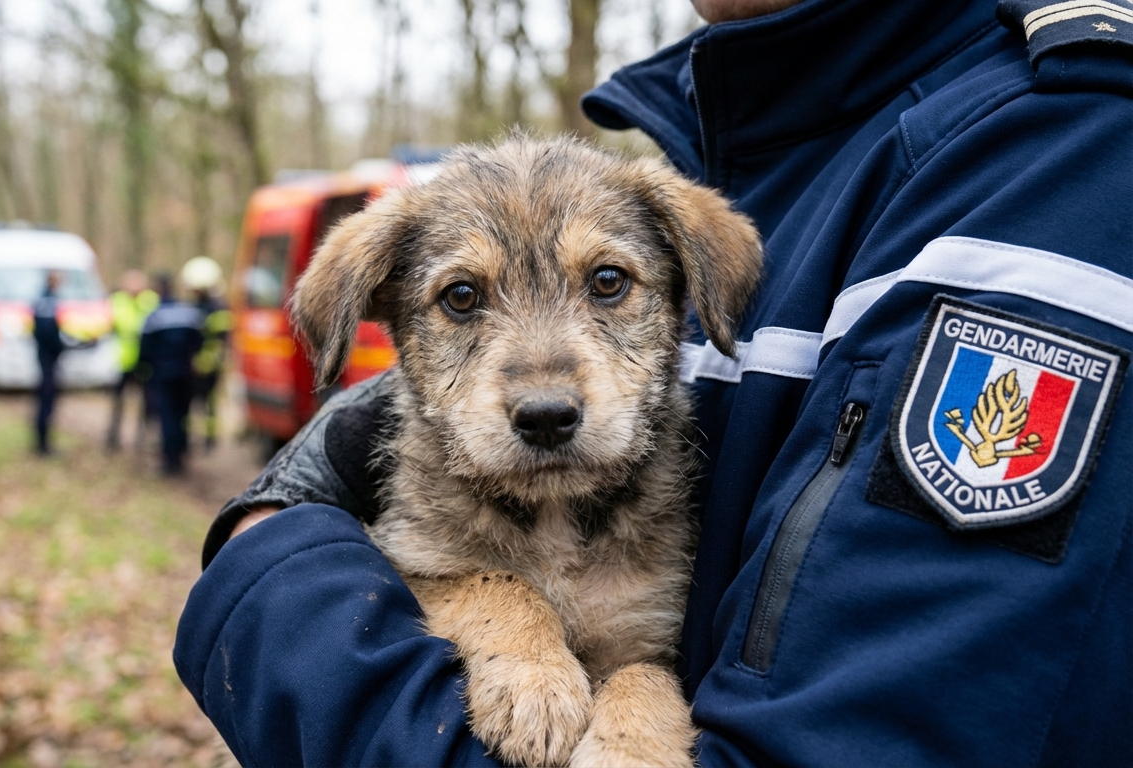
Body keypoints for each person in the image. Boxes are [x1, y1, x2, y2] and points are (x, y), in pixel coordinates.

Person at [175, 0, 1133, 764]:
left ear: (687, 288)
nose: (546, 385)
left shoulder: (1044, 160)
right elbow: (428, 572)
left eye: (608, 284)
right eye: (462, 297)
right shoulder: (757, 136)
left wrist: (268, 557)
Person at [139, 274, 204, 476]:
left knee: (167, 416)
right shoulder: (189, 313)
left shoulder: (154, 315)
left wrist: (143, 369)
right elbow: (199, 341)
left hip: (163, 373)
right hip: (186, 373)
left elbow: (145, 348)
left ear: (158, 289)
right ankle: (182, 452)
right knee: (182, 414)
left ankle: (170, 461)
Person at [180, 256, 234, 452]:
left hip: (204, 365)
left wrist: (199, 362)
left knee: (205, 403)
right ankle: (203, 439)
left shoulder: (209, 308)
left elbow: (219, 338)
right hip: (207, 364)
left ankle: (207, 439)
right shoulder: (216, 306)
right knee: (205, 404)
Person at [107, 269, 160, 451]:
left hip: (145, 360)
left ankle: (143, 439)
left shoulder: (151, 300)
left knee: (148, 402)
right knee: (118, 402)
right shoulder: (116, 300)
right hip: (122, 360)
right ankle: (112, 438)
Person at [31, 270, 66, 456]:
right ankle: (42, 445)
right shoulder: (47, 302)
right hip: (47, 360)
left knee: (46, 401)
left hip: (46, 358)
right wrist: (60, 346)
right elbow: (46, 333)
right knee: (46, 401)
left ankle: (43, 443)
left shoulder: (45, 300)